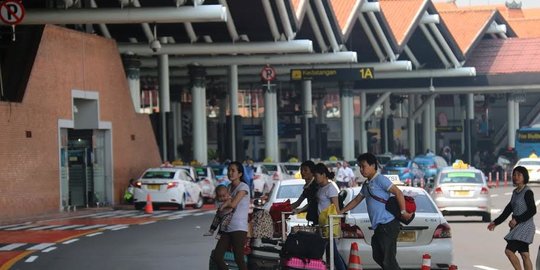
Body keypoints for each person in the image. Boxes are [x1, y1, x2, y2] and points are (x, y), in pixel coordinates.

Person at [339, 153, 413, 270]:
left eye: (363, 166)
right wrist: (341, 211)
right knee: (378, 255)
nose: (361, 170)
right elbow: (357, 199)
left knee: (388, 260)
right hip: (379, 226)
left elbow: (398, 192)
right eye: (360, 167)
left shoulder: (380, 179)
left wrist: (403, 212)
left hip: (387, 224)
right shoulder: (367, 184)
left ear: (373, 165)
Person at [488, 166, 536, 270]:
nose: (516, 177)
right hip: (518, 227)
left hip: (525, 227)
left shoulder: (527, 192)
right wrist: (496, 222)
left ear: (524, 177)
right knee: (525, 254)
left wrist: (517, 219)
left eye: (519, 175)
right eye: (514, 174)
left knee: (509, 251)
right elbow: (508, 209)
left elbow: (533, 210)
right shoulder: (515, 192)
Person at [211, 161, 250, 270]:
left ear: (240, 174)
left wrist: (224, 204)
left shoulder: (244, 187)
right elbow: (218, 202)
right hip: (226, 228)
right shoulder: (228, 187)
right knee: (217, 256)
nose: (230, 173)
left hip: (238, 228)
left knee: (239, 258)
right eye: (229, 170)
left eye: (233, 171)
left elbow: (232, 204)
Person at [313, 162, 347, 270]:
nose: (315, 178)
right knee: (331, 252)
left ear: (323, 174)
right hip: (322, 224)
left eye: (316, 175)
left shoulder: (331, 188)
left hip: (329, 225)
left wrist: (337, 225)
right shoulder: (320, 188)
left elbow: (336, 208)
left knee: (333, 253)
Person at [291, 160, 319, 225]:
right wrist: (284, 208)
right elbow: (298, 203)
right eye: (301, 170)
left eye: (305, 170)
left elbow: (313, 203)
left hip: (319, 218)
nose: (302, 172)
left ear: (312, 172)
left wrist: (299, 210)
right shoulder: (307, 187)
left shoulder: (315, 186)